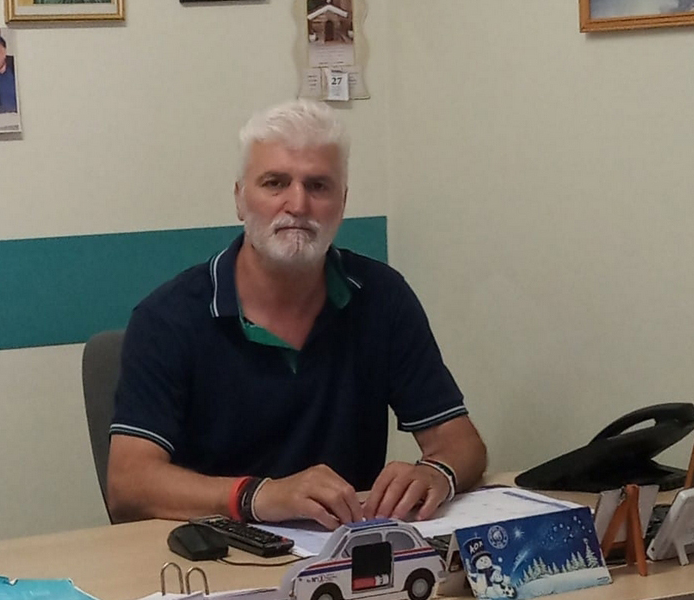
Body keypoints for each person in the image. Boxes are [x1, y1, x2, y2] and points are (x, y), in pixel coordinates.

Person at [106, 100, 487, 530]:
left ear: (342, 203)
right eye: (275, 183)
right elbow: (129, 485)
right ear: (240, 199)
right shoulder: (167, 318)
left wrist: (437, 473)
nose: (298, 204)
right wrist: (259, 496)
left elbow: (462, 444)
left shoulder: (383, 297)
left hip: (345, 550)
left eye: (319, 186)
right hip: (216, 552)